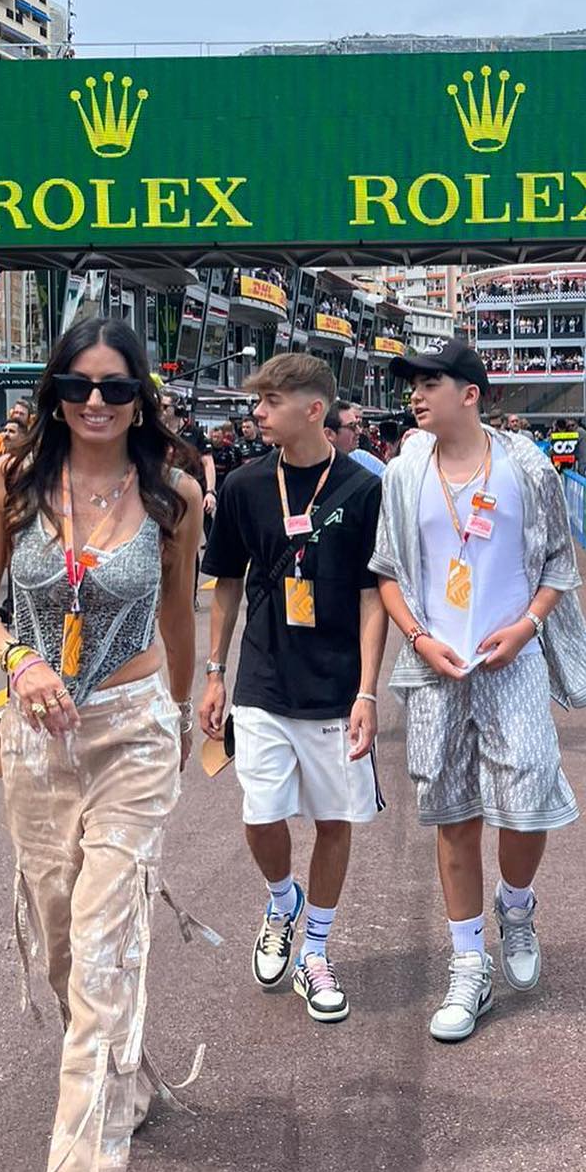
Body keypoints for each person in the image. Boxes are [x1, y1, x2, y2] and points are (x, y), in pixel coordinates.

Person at [0, 317, 205, 1172]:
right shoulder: (14, 485)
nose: (94, 402)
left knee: (104, 972)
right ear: (54, 390)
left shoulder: (172, 496)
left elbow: (181, 619)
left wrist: (183, 725)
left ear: (139, 394)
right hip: (34, 737)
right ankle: (128, 1084)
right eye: (75, 384)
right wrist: (19, 660)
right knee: (63, 950)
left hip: (134, 736)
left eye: (112, 386)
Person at [372, 337, 586, 1044]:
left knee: (529, 802)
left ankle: (517, 904)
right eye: (412, 384)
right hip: (436, 665)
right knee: (453, 814)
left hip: (512, 659)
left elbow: (561, 564)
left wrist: (528, 626)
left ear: (470, 393)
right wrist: (417, 638)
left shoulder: (528, 468)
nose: (415, 393)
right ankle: (468, 964)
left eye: (429, 381)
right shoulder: (403, 473)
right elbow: (386, 571)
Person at [201, 355, 386, 1025]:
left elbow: (374, 596)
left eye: (271, 400)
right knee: (260, 812)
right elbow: (225, 581)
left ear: (315, 410)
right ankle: (283, 899)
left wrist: (368, 692)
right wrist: (214, 671)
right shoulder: (249, 485)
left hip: (336, 688)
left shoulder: (364, 489)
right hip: (262, 680)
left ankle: (315, 948)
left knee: (335, 823)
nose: (258, 411)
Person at [325, 401, 387, 476]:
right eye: (352, 426)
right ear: (329, 434)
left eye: (359, 424)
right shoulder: (313, 466)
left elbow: (389, 479)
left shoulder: (362, 458)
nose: (359, 431)